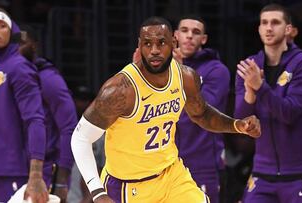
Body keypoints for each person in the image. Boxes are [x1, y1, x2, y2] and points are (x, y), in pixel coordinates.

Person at [71, 16, 261, 203]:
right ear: (139, 45)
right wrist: (97, 192)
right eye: (147, 43)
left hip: (171, 175)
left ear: (173, 42)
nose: (154, 50)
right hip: (129, 185)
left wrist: (237, 125)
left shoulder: (186, 77)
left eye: (161, 43)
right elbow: (80, 138)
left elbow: (201, 113)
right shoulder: (120, 90)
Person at [235, 4, 302, 203]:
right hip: (262, 170)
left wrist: (260, 87)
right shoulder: (250, 66)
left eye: (275, 23)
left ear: (288, 29)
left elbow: (289, 113)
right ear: (258, 29)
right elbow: (240, 121)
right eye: (264, 23)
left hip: (301, 171)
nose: (268, 28)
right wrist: (250, 93)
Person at [0, 8, 48, 202]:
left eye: (1, 25)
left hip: (15, 173)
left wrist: (36, 175)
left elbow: (36, 121)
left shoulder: (19, 67)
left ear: (11, 31)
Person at [173, 15, 230, 202]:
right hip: (165, 165)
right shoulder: (161, 71)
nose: (189, 36)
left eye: (195, 32)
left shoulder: (216, 70)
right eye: (184, 31)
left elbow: (201, 112)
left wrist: (182, 73)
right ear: (175, 36)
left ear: (203, 39)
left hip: (202, 164)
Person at [18, 25, 78, 203]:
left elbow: (69, 128)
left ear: (34, 46)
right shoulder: (5, 77)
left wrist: (61, 180)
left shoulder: (47, 78)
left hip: (45, 172)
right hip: (13, 170)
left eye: (22, 42)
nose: (16, 48)